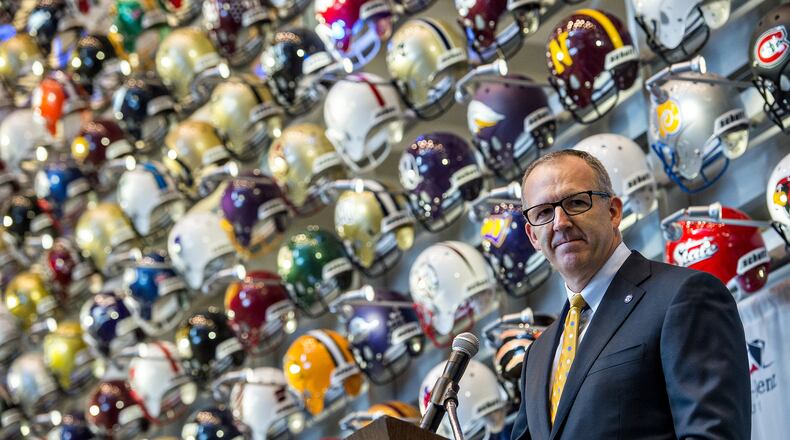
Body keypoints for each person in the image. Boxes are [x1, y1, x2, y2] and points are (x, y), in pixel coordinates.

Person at [510, 149, 750, 440]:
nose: (559, 222)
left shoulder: (684, 297)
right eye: (544, 212)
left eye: (575, 202)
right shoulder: (537, 355)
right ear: (533, 236)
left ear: (613, 212)